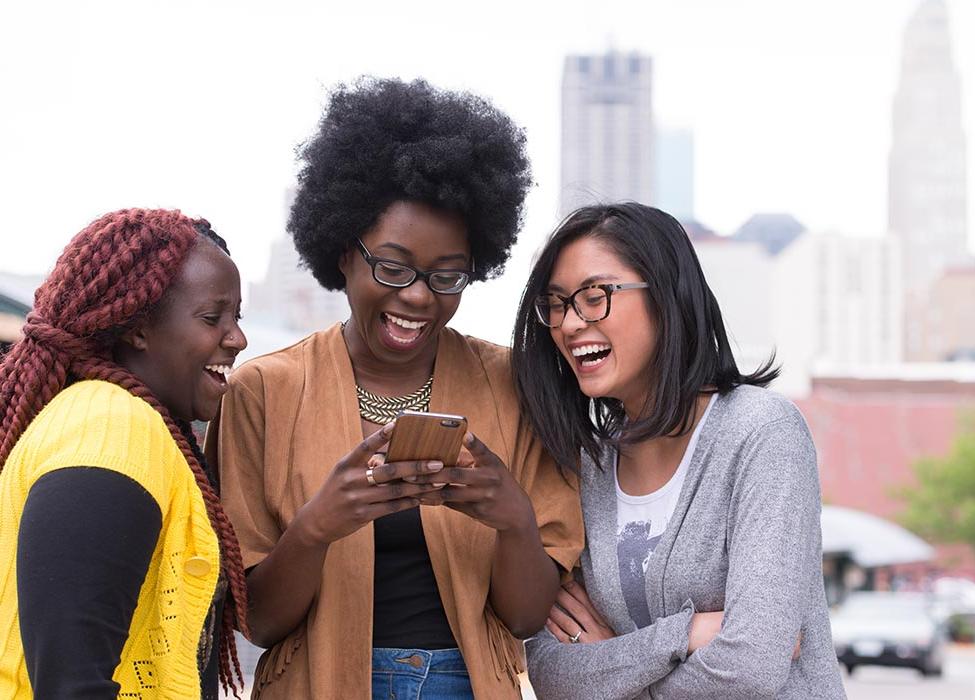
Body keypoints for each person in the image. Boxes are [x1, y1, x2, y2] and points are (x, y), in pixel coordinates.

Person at [207, 77, 583, 699]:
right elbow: (258, 622)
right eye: (392, 265)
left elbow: (524, 617)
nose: (416, 295)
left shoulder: (515, 385)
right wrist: (315, 528)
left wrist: (514, 519)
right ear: (342, 254)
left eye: (447, 276)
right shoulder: (261, 393)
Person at [512, 203, 847, 698]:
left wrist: (615, 664)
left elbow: (752, 664)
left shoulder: (761, 434)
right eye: (558, 303)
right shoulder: (587, 465)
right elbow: (550, 670)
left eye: (594, 295)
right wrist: (685, 635)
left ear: (666, 296)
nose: (569, 323)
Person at [0, 209, 250, 699]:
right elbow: (72, 686)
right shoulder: (110, 430)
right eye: (212, 317)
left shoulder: (128, 422)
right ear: (136, 329)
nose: (237, 337)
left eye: (237, 317)